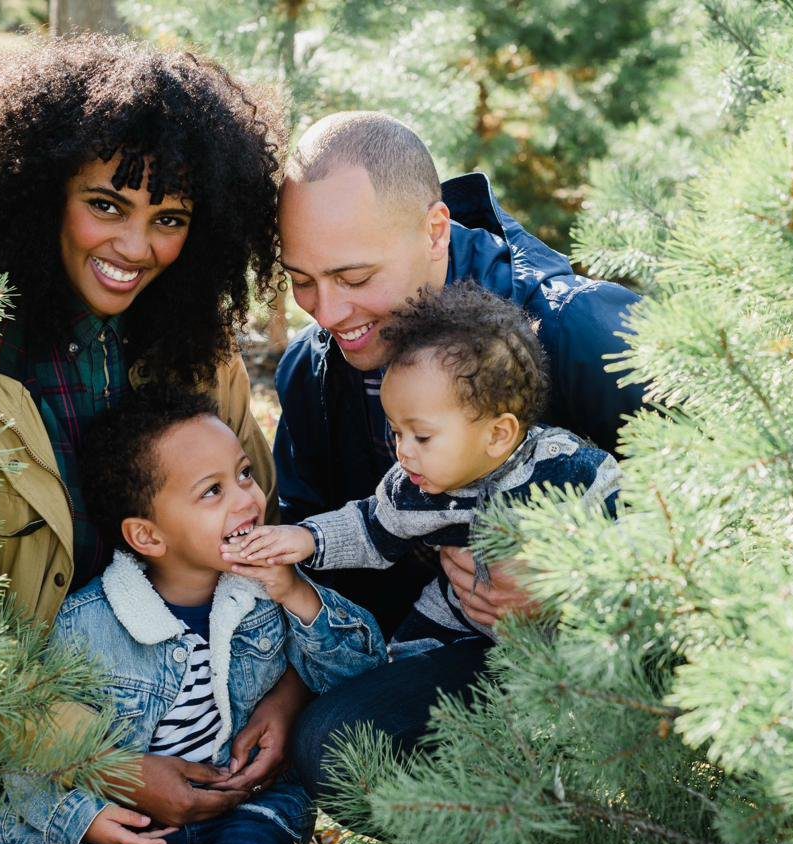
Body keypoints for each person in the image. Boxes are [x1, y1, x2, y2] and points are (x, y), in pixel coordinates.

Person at [0, 38, 306, 844]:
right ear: (38, 194)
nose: (136, 246)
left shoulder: (200, 355)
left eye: (170, 218)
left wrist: (283, 703)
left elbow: (263, 552)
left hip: (197, 745)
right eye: (106, 204)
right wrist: (95, 763)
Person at [272, 111, 650, 798]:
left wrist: (586, 577)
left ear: (435, 229)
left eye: (354, 277)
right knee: (336, 752)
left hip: (613, 659)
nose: (326, 313)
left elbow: (746, 498)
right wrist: (284, 692)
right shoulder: (312, 371)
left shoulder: (580, 331)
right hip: (444, 649)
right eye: (301, 280)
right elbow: (321, 553)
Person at [0, 390, 385, 844]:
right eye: (211, 491)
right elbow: (31, 747)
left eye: (243, 473)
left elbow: (360, 672)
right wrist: (83, 819)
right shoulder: (87, 626)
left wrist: (297, 592)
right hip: (139, 826)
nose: (246, 498)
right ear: (147, 537)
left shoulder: (270, 590)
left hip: (250, 812)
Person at [227, 283, 619, 658]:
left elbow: (634, 533)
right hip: (460, 615)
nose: (403, 453)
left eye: (422, 437)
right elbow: (371, 525)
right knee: (406, 653)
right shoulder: (416, 488)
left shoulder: (565, 468)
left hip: (565, 638)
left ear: (498, 434)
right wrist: (308, 538)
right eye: (396, 432)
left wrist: (575, 584)